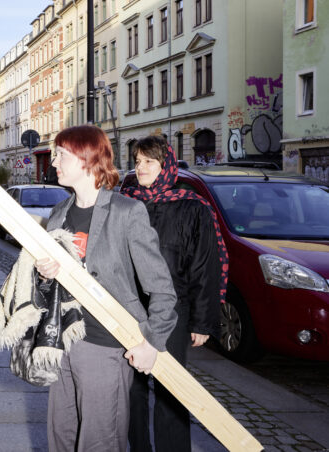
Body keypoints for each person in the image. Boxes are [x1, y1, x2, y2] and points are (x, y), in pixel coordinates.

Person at [33, 125, 177, 452]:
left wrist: (152, 342)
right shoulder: (58, 214)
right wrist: (45, 275)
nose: (54, 161)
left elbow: (162, 289)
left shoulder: (127, 212)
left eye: (62, 155)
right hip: (64, 340)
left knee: (100, 440)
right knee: (61, 436)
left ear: (87, 159)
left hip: (105, 344)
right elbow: (46, 287)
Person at [122, 136, 226, 452]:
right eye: (138, 161)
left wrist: (202, 323)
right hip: (128, 307)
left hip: (173, 311)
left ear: (166, 166)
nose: (141, 167)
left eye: (149, 161)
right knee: (131, 388)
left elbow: (207, 266)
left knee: (170, 388)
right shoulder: (125, 202)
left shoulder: (193, 207)